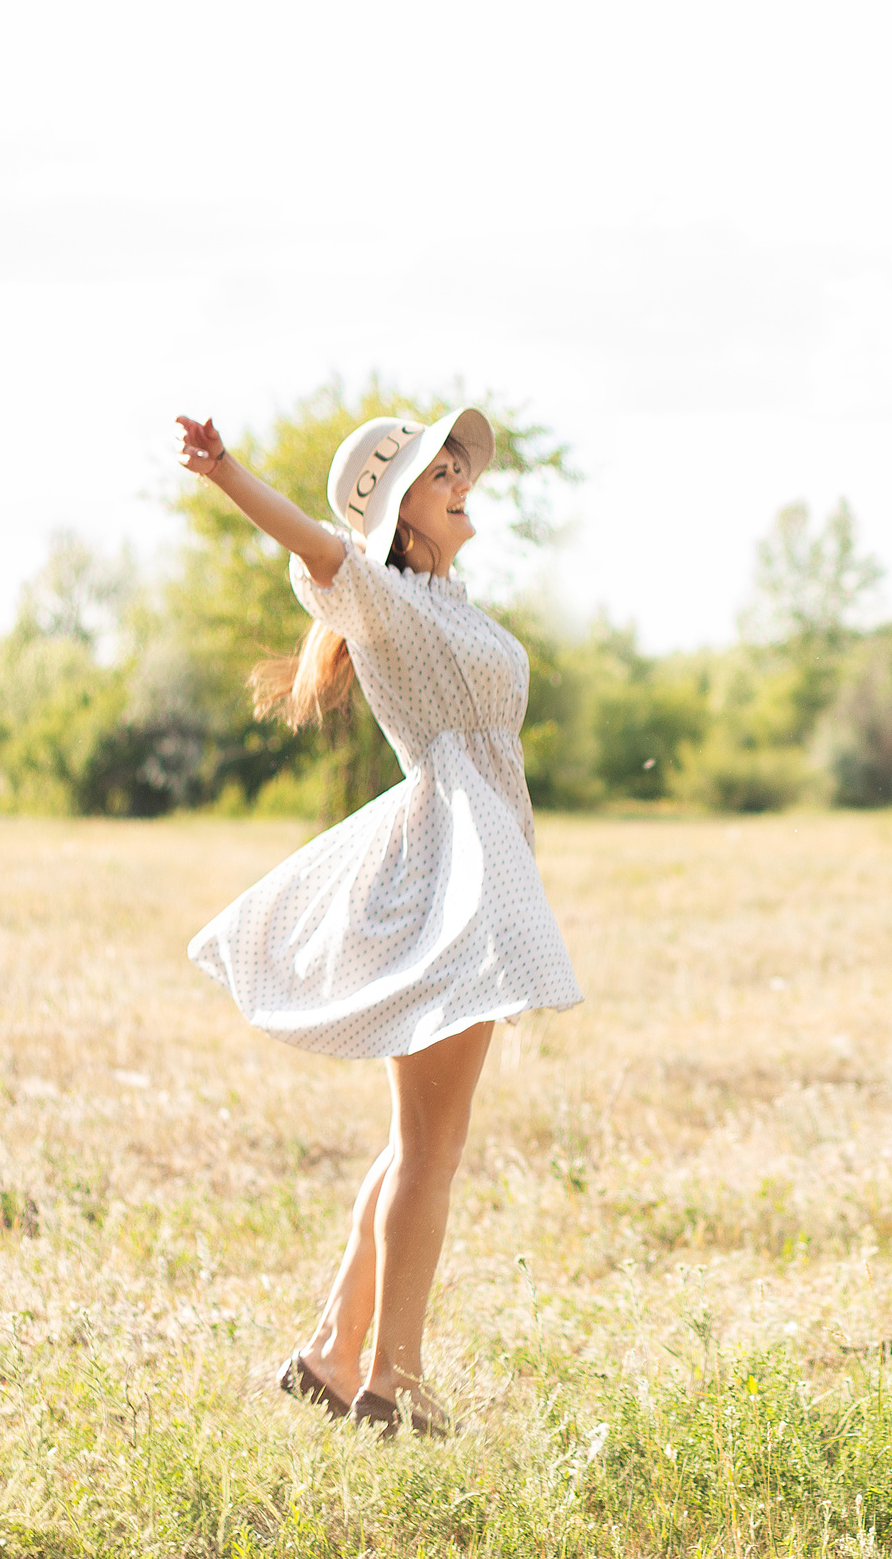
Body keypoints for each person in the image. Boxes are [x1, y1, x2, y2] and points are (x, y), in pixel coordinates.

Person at [174, 409, 583, 1438]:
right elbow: (319, 546)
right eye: (439, 474)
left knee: (416, 1144)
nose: (461, 481)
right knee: (430, 1151)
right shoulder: (384, 593)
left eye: (457, 468)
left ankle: (329, 1354)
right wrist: (227, 471)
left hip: (481, 863)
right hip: (451, 874)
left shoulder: (446, 599)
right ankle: (394, 1384)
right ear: (399, 515)